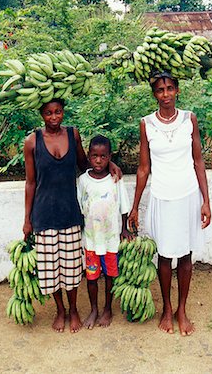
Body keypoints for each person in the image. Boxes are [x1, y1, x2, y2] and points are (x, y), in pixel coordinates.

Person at [23, 99, 122, 333]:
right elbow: (30, 182)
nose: (54, 117)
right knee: (50, 268)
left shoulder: (72, 135)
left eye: (58, 112)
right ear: (41, 114)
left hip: (70, 211)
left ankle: (74, 309)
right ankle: (60, 310)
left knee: (70, 267)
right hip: (44, 212)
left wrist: (112, 164)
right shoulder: (32, 142)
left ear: (64, 112)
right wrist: (27, 219)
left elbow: (85, 164)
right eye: (48, 113)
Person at [129, 71, 211, 336]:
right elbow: (143, 168)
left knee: (186, 254)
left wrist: (206, 201)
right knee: (164, 256)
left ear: (177, 91)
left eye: (170, 89)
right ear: (154, 94)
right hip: (162, 197)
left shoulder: (189, 119)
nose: (165, 95)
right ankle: (166, 308)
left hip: (188, 195)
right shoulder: (147, 124)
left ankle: (182, 309)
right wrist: (134, 206)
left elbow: (198, 161)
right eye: (160, 90)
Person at [77, 135, 131, 329]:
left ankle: (108, 308)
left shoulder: (115, 179)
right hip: (91, 240)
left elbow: (124, 206)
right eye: (94, 156)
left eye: (103, 156)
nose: (98, 160)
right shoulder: (83, 181)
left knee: (110, 276)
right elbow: (80, 206)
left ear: (110, 157)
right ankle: (94, 309)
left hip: (110, 241)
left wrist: (124, 229)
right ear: (89, 156)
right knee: (91, 277)